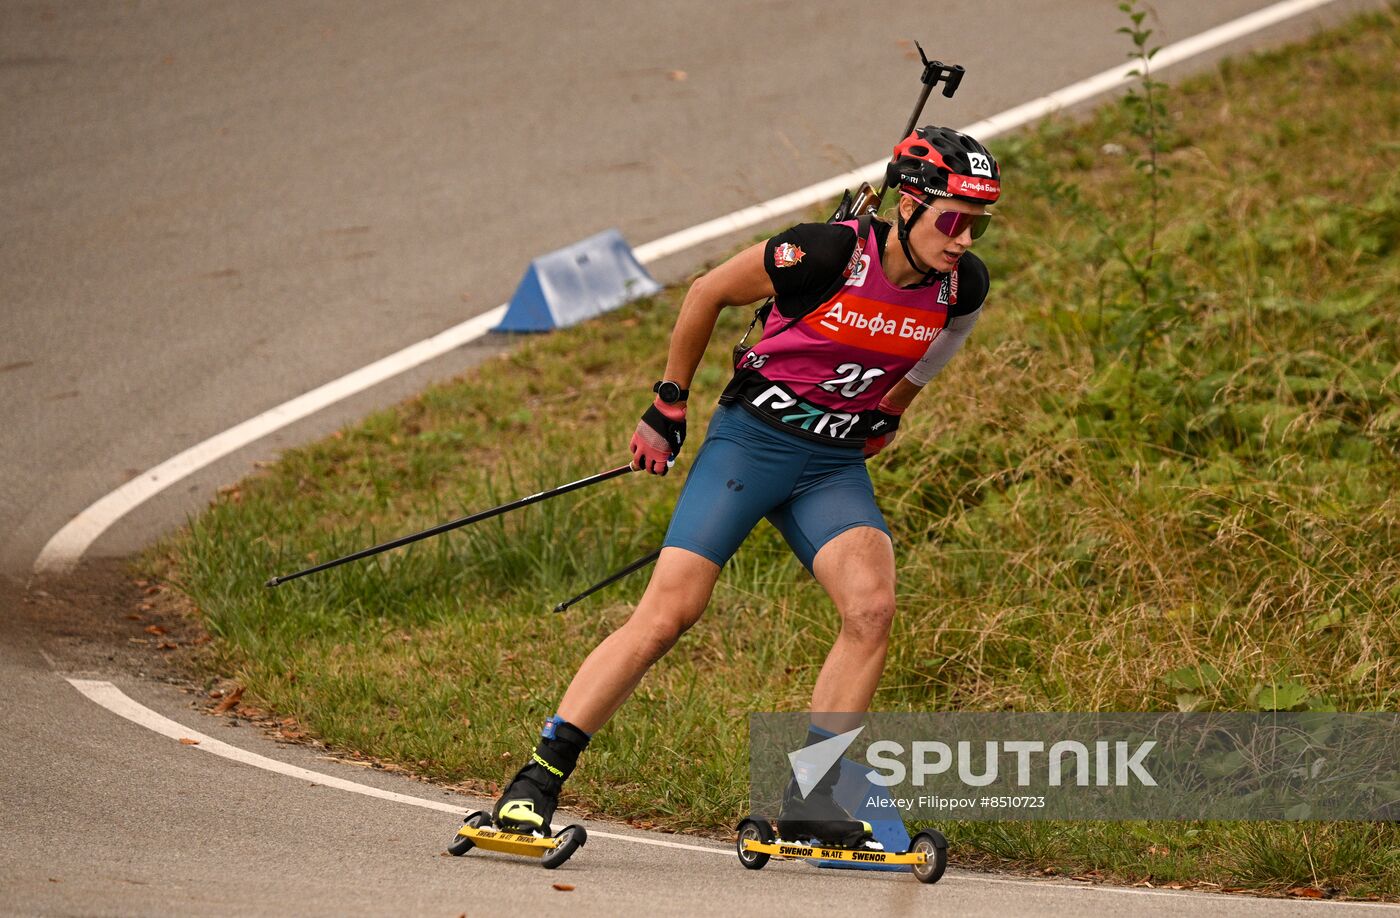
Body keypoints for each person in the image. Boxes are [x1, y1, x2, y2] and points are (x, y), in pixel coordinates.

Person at [491, 125, 1001, 845]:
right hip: (750, 445)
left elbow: (930, 355)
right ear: (909, 204)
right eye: (953, 219)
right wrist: (668, 403)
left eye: (977, 224)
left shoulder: (962, 286)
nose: (964, 238)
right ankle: (534, 782)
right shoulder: (826, 252)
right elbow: (707, 294)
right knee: (669, 615)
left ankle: (811, 798)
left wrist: (887, 415)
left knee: (872, 610)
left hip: (829, 467)